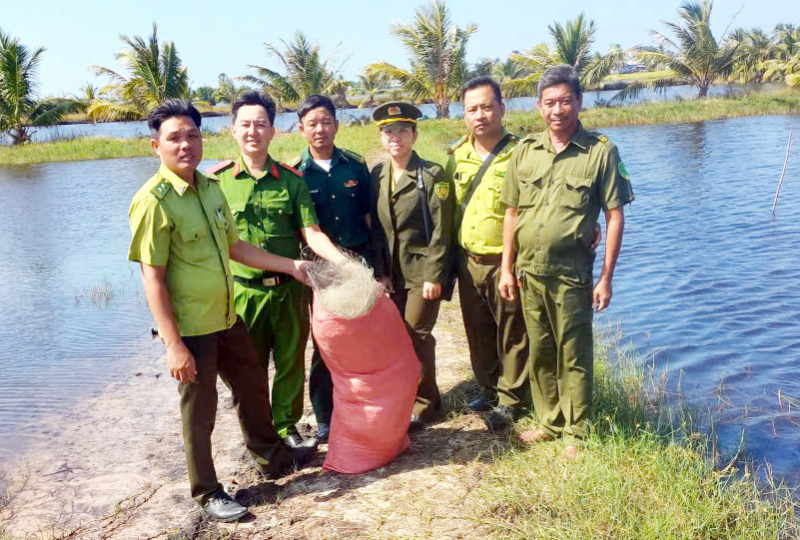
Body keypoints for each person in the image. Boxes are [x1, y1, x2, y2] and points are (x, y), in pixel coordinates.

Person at [128, 99, 316, 522]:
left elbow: (235, 247)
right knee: (201, 409)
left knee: (252, 383)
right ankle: (208, 491)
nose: (185, 145)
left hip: (227, 317)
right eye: (174, 138)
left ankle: (272, 457)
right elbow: (152, 279)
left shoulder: (210, 188)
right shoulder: (153, 201)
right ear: (155, 145)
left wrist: (291, 265)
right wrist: (174, 346)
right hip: (191, 328)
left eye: (192, 135)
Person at [499, 65, 634, 458]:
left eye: (565, 101)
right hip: (529, 272)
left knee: (574, 351)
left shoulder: (600, 151)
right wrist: (507, 268)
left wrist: (606, 277)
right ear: (539, 106)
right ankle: (548, 421)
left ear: (579, 101)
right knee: (541, 349)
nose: (558, 109)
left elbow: (614, 216)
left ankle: (576, 431)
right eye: (549, 102)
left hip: (573, 273)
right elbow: (511, 212)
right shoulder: (525, 151)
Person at [207, 92, 345, 449]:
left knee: (290, 363)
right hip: (243, 292)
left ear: (273, 131)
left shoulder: (291, 180)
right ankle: (259, 434)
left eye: (261, 124)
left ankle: (287, 426)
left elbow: (312, 234)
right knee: (247, 371)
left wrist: (344, 264)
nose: (253, 131)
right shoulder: (214, 183)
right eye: (245, 125)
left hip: (290, 290)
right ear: (233, 131)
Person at [444, 77, 530, 431]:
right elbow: (446, 208)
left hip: (504, 261)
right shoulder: (456, 155)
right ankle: (488, 388)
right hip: (468, 261)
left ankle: (512, 399)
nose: (479, 115)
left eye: (486, 106)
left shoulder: (522, 153)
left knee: (512, 331)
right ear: (463, 114)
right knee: (477, 329)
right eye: (471, 109)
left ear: (501, 108)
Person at [288, 94, 373, 441]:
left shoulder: (355, 166)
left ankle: (366, 406)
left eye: (326, 121)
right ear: (301, 129)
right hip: (321, 273)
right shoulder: (294, 173)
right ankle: (325, 416)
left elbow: (371, 219)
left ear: (337, 125)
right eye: (312, 123)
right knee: (325, 346)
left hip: (359, 265)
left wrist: (376, 268)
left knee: (363, 338)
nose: (320, 129)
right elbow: (300, 231)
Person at [370, 101, 455, 426]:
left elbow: (442, 230)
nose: (396, 137)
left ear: (415, 134)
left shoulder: (432, 175)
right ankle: (420, 396)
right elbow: (376, 230)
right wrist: (381, 272)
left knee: (415, 334)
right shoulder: (378, 175)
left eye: (403, 130)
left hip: (423, 272)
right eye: (389, 131)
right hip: (394, 272)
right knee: (400, 336)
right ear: (381, 137)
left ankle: (426, 403)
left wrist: (435, 275)